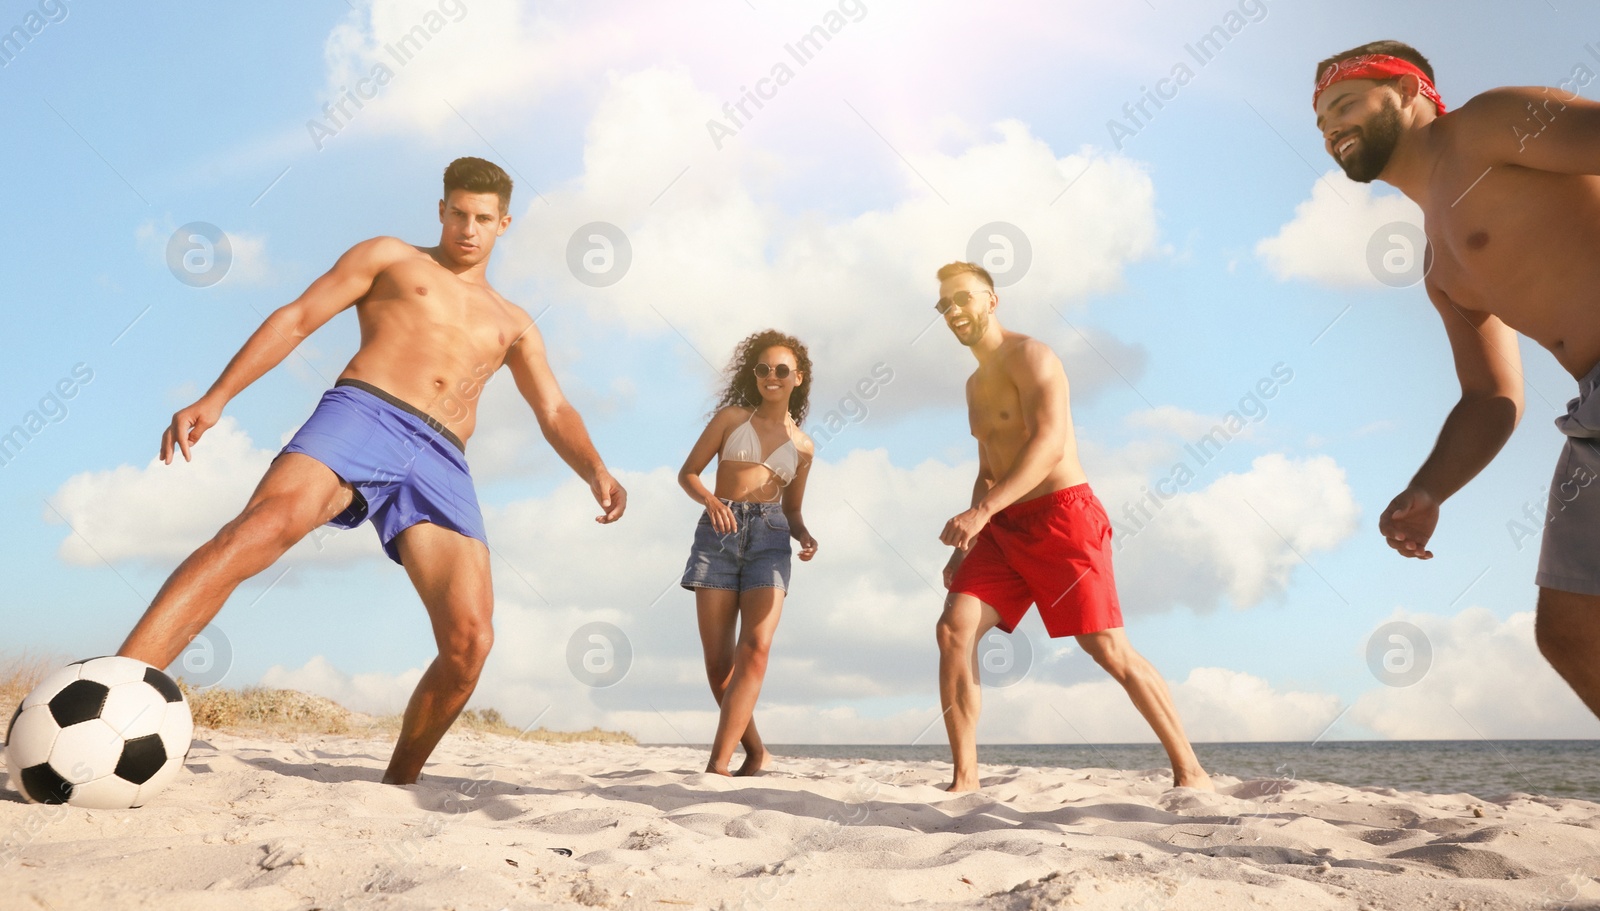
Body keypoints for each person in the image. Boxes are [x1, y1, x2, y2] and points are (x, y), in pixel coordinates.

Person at [117, 157, 626, 785]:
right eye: (459, 214)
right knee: (260, 529)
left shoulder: (513, 321)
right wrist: (217, 397)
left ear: (505, 224)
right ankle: (113, 690)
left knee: (470, 642)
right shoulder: (390, 257)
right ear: (441, 210)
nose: (469, 228)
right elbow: (297, 318)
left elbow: (553, 408)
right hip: (366, 412)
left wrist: (595, 469)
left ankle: (399, 784)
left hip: (443, 455)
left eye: (484, 219)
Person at [1312, 41, 1600, 721]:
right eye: (1321, 121)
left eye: (1345, 103)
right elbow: (1491, 395)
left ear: (1411, 91)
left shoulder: (1487, 125)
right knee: (1570, 629)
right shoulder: (1441, 264)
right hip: (1590, 414)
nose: (1331, 128)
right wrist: (1430, 485)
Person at [932, 261, 1212, 793]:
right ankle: (965, 780)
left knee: (1107, 648)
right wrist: (966, 546)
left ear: (991, 301)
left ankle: (1191, 772)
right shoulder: (973, 385)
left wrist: (983, 512)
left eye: (963, 298)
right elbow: (988, 468)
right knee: (953, 629)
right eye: (944, 304)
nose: (953, 311)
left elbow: (1048, 445)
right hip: (1002, 526)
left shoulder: (1032, 356)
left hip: (1063, 517)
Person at [677, 330, 819, 776]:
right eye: (763, 369)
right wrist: (712, 501)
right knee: (720, 664)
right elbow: (689, 474)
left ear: (798, 378)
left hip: (771, 539)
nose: (771, 376)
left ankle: (716, 766)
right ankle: (755, 751)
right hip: (717, 535)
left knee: (755, 648)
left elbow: (793, 510)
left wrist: (805, 535)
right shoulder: (731, 418)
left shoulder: (803, 446)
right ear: (753, 375)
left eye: (781, 370)